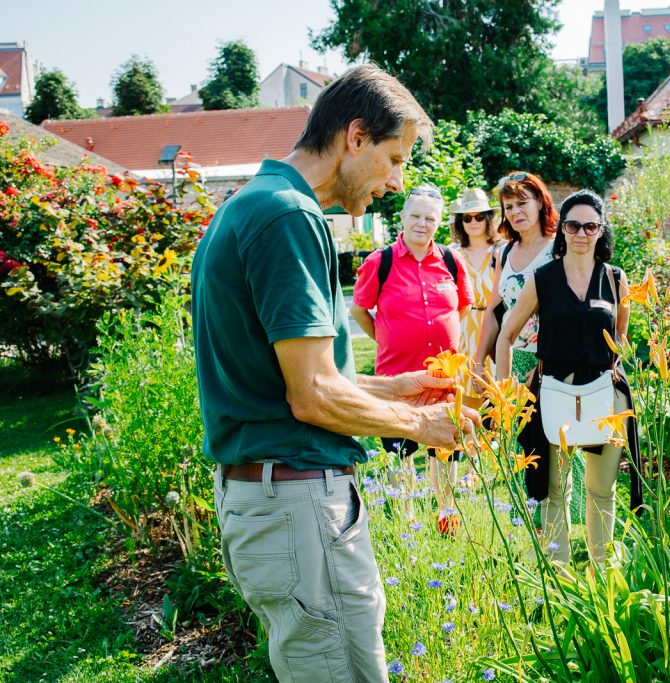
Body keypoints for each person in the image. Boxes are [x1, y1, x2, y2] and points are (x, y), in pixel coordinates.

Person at [191, 65, 479, 683]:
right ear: (355, 137)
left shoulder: (254, 204)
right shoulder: (287, 216)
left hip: (286, 499)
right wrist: (420, 423)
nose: (397, 182)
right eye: (394, 158)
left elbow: (288, 379)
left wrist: (389, 386)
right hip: (294, 504)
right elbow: (312, 396)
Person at [497, 190, 641, 565]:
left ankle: (603, 576)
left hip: (604, 395)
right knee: (556, 490)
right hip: (554, 393)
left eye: (590, 225)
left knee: (601, 489)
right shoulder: (542, 279)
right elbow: (505, 336)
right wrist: (504, 390)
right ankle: (560, 580)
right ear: (562, 229)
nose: (581, 232)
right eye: (573, 224)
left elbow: (621, 339)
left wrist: (625, 384)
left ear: (600, 230)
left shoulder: (616, 279)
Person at [350, 185, 473, 532]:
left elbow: (462, 307)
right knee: (399, 450)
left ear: (439, 223)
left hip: (443, 377)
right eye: (415, 216)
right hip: (396, 378)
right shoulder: (381, 261)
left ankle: (446, 516)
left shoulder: (451, 260)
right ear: (402, 218)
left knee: (444, 448)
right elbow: (360, 310)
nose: (422, 223)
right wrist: (386, 338)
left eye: (430, 218)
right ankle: (407, 524)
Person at [472, 172, 557, 384]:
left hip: (551, 361)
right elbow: (493, 310)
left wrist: (544, 364)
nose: (515, 211)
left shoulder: (559, 250)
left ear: (539, 202)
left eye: (522, 203)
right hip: (509, 357)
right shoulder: (504, 252)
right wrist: (479, 361)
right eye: (508, 207)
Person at [449, 187, 502, 399]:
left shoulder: (502, 250)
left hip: (496, 326)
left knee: (497, 392)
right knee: (465, 392)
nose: (473, 222)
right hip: (463, 327)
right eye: (466, 218)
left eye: (479, 217)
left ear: (489, 219)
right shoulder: (452, 253)